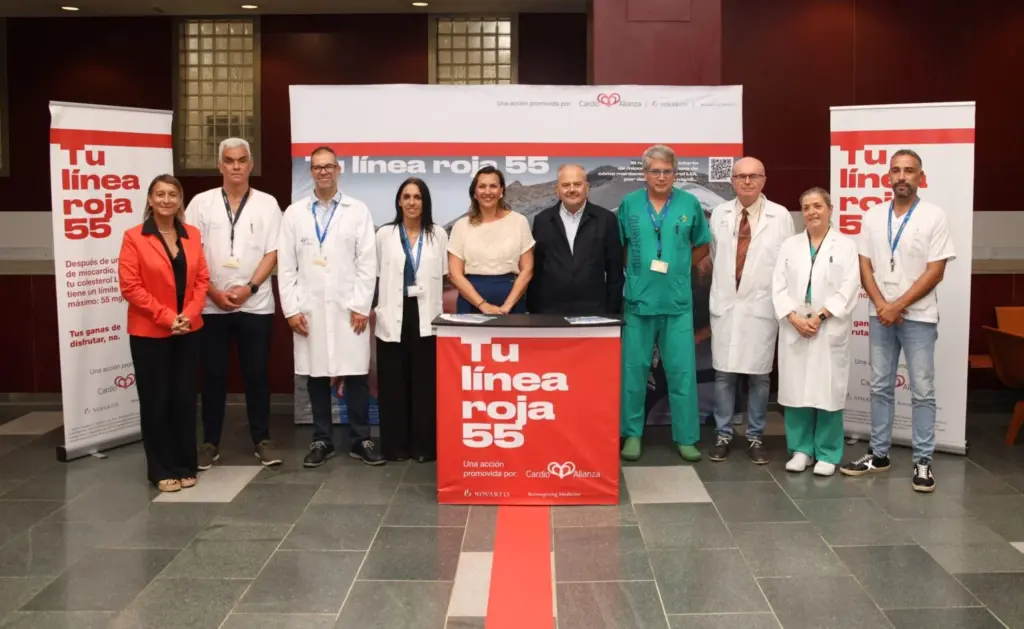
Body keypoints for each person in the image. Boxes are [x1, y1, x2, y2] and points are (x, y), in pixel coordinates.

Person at [841, 149, 955, 492]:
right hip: (881, 315)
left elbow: (936, 271)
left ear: (920, 177)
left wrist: (897, 306)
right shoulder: (873, 215)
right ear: (887, 177)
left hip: (918, 317)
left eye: (909, 171)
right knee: (879, 386)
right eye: (896, 171)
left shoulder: (934, 216)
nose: (902, 176)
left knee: (922, 390)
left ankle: (922, 461)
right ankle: (879, 454)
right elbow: (864, 264)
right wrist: (880, 305)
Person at [278, 146, 383, 467]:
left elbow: (367, 261)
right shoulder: (295, 213)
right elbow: (286, 265)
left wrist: (361, 305)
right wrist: (291, 310)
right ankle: (321, 439)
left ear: (338, 170)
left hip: (349, 308)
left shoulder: (357, 210)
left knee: (355, 375)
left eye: (329, 166)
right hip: (309, 308)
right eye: (317, 167)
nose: (323, 172)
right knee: (315, 374)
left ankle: (360, 438)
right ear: (311, 172)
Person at [184, 138, 283, 470]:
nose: (236, 166)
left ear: (251, 164)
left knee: (256, 374)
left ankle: (262, 440)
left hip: (256, 305)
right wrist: (212, 292)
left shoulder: (268, 204)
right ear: (220, 166)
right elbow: (191, 255)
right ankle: (209, 442)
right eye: (229, 161)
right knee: (212, 375)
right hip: (212, 305)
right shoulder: (200, 203)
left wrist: (251, 287)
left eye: (242, 160)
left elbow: (274, 252)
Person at [619, 144, 712, 462]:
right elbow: (621, 247)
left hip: (676, 303)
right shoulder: (629, 204)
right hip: (638, 302)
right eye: (655, 171)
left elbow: (701, 245)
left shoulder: (689, 204)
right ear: (645, 174)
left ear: (675, 174)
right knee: (633, 372)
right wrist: (637, 272)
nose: (661, 176)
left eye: (667, 171)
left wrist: (681, 269)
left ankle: (686, 437)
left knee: (681, 372)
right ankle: (632, 434)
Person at [118, 175, 209, 493]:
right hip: (150, 333)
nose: (167, 200)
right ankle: (160, 468)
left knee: (184, 400)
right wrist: (168, 317)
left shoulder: (193, 235)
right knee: (156, 401)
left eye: (173, 194)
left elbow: (202, 280)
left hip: (189, 329)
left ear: (180, 200)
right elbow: (130, 286)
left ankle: (185, 464)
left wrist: (190, 314)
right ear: (150, 200)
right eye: (161, 194)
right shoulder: (134, 237)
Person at [707, 157, 795, 465]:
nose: (746, 182)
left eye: (753, 176)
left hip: (761, 305)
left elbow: (787, 262)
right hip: (727, 303)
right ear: (732, 180)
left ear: (764, 180)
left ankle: (756, 436)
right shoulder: (719, 214)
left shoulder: (780, 216)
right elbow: (717, 256)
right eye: (740, 176)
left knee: (759, 376)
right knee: (724, 375)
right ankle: (723, 434)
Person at [773, 188, 860, 476]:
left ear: (830, 209)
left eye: (818, 206)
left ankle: (827, 453)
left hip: (828, 327)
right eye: (807, 207)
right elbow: (778, 286)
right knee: (796, 391)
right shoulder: (790, 245)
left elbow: (849, 287)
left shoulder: (845, 246)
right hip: (795, 326)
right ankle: (800, 450)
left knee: (828, 392)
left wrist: (820, 316)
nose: (812, 212)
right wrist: (794, 318)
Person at [375, 178, 448, 462]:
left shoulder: (438, 234)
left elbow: (444, 275)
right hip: (393, 314)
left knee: (424, 383)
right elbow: (376, 275)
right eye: (406, 197)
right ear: (398, 201)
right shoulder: (385, 234)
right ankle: (395, 446)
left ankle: (424, 447)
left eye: (417, 197)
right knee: (393, 383)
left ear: (425, 201)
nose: (411, 202)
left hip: (426, 315)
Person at [527, 163, 623, 315]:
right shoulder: (542, 220)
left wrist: (612, 310)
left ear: (587, 187)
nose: (572, 189)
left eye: (577, 184)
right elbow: (536, 268)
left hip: (594, 311)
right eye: (565, 185)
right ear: (557, 190)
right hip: (549, 311)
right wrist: (534, 309)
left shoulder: (605, 219)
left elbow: (615, 269)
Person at [447, 166, 534, 315]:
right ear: (475, 193)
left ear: (501, 191)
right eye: (482, 186)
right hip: (471, 302)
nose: (488, 192)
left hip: (511, 303)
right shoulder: (461, 226)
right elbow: (454, 274)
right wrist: (483, 305)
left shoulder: (519, 222)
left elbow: (527, 269)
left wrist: (507, 306)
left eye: (493, 186)